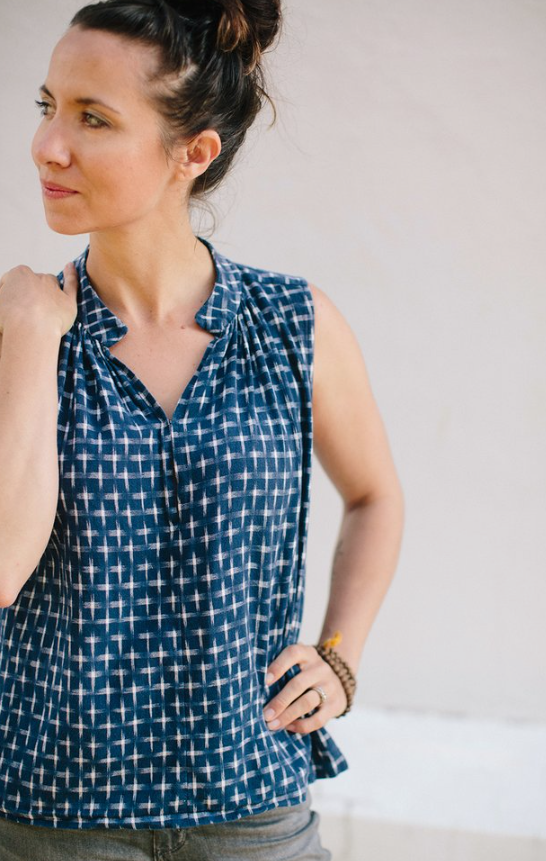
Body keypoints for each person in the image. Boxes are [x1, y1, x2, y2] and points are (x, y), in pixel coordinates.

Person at [0, 0, 405, 858]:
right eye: (47, 107)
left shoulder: (294, 323)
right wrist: (31, 341)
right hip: (54, 814)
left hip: (253, 804)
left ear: (194, 152)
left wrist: (339, 656)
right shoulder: (20, 330)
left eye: (93, 118)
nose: (47, 145)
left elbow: (374, 496)